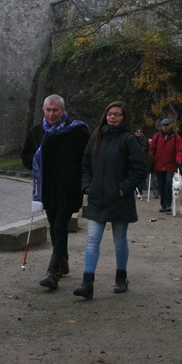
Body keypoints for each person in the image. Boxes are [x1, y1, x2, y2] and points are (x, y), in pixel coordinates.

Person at [74, 101, 147, 299]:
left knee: (119, 240)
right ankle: (87, 283)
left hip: (119, 199)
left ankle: (121, 277)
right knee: (92, 241)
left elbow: (141, 167)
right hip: (97, 197)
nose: (112, 117)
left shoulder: (128, 139)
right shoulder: (96, 137)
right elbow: (86, 164)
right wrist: (87, 186)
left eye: (117, 114)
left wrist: (124, 187)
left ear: (124, 118)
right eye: (109, 114)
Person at [21, 94, 89, 290]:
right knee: (55, 225)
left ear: (62, 110)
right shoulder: (37, 132)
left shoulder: (77, 131)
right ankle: (63, 261)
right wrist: (37, 159)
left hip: (69, 190)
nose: (51, 114)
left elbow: (87, 158)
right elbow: (25, 156)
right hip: (47, 190)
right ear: (44, 111)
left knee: (59, 226)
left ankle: (53, 272)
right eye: (48, 110)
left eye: (55, 110)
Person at [148, 117, 182, 214]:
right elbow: (152, 150)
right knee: (161, 186)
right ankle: (163, 205)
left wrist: (178, 161)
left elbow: (179, 150)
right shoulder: (156, 137)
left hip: (170, 165)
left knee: (169, 184)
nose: (165, 127)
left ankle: (168, 204)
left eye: (167, 125)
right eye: (163, 125)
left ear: (170, 126)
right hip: (158, 165)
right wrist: (150, 161)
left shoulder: (177, 138)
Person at [134, 127, 149, 197]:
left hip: (143, 160)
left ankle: (139, 191)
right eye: (137, 131)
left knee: (142, 177)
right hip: (134, 160)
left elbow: (147, 149)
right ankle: (136, 190)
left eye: (140, 132)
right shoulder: (132, 139)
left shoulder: (145, 140)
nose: (139, 133)